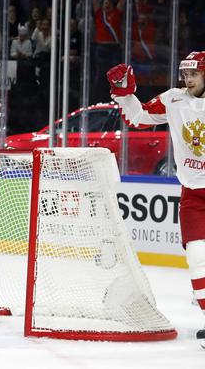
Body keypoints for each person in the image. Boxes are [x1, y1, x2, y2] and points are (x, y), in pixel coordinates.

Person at [107, 55, 205, 349]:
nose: (187, 80)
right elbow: (138, 118)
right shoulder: (174, 100)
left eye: (195, 75)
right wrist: (125, 93)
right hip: (192, 195)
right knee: (198, 260)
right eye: (185, 75)